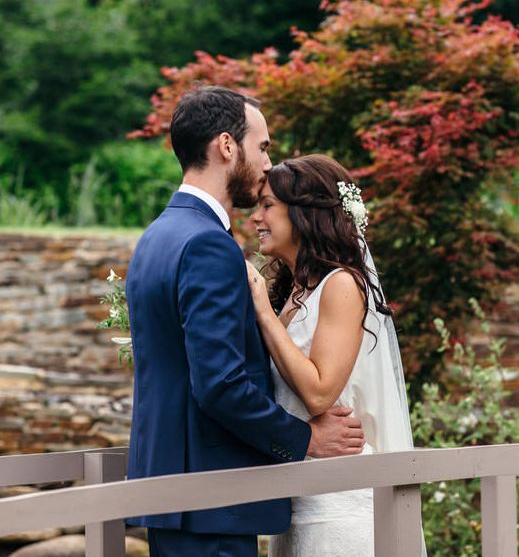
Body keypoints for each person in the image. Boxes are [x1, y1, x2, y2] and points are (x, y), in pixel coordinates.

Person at [125, 87, 365, 557]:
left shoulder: (157, 236)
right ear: (227, 147)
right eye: (263, 146)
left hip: (175, 493)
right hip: (212, 498)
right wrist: (304, 439)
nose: (267, 162)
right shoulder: (207, 245)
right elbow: (219, 384)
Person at [247, 154, 419, 556]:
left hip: (338, 505)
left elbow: (321, 393)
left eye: (268, 205)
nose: (256, 218)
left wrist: (261, 314)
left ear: (305, 215)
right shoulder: (292, 292)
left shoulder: (341, 285)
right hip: (298, 497)